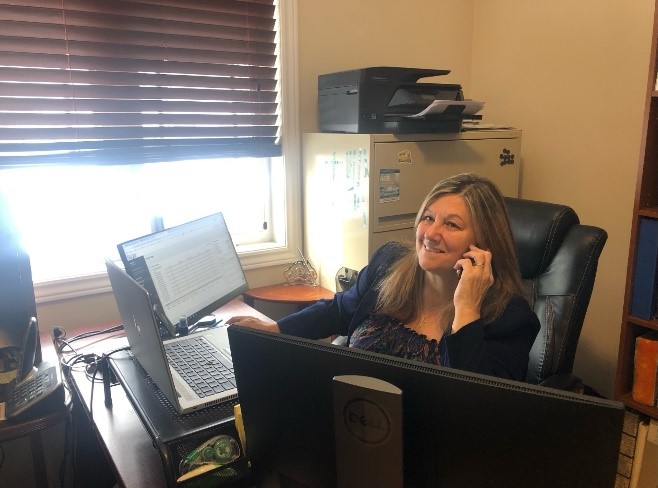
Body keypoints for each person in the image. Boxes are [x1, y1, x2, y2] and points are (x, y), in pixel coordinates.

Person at [228, 173, 540, 381]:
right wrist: (276, 328)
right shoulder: (390, 262)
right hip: (350, 417)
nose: (430, 234)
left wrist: (467, 309)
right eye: (428, 218)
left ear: (483, 243)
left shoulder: (510, 318)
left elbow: (473, 406)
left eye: (452, 225)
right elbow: (339, 309)